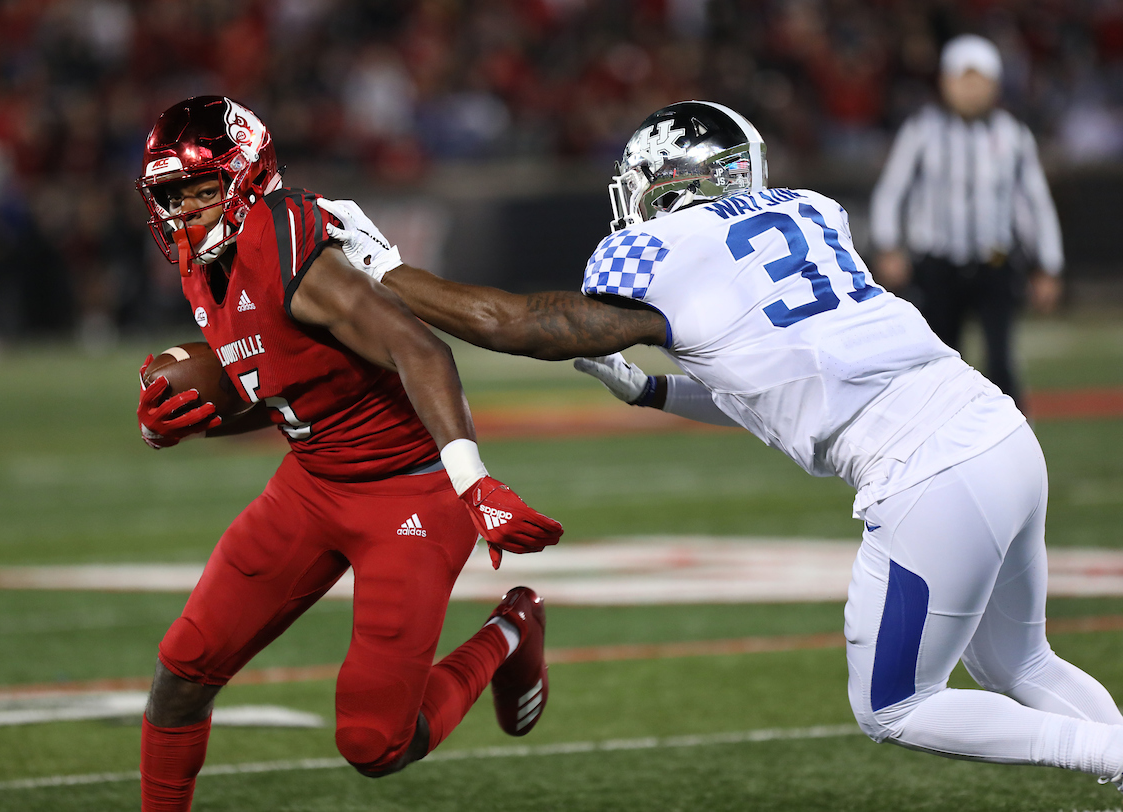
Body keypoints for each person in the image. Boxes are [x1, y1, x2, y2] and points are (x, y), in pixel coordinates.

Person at [323, 100, 1123, 792]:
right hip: (999, 434)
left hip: (930, 476)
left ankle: (1109, 756)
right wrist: (652, 388)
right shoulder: (811, 210)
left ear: (674, 182)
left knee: (896, 707)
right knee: (1019, 664)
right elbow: (775, 386)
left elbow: (526, 324)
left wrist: (386, 269)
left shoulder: (665, 253)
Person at [131, 96, 562, 812]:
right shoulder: (206, 262)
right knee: (183, 669)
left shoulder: (284, 242)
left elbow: (418, 347)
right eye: (171, 195)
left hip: (411, 493)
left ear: (245, 178)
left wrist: (473, 480)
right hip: (312, 480)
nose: (184, 211)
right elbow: (278, 387)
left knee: (374, 744)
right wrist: (177, 424)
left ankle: (512, 632)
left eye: (200, 190)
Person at [870, 34, 1064, 409]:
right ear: (946, 82)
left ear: (993, 84)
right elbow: (892, 190)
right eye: (962, 79)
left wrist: (1048, 266)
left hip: (995, 262)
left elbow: (1035, 203)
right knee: (936, 359)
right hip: (937, 264)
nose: (970, 90)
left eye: (978, 80)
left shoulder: (1013, 135)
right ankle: (934, 438)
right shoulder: (923, 130)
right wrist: (888, 245)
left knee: (1001, 359)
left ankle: (1013, 442)